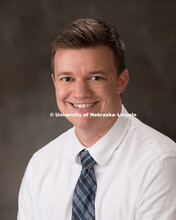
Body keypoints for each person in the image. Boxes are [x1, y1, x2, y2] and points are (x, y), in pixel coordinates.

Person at [17, 18, 176, 220]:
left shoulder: (159, 164)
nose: (80, 92)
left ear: (121, 81)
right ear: (55, 83)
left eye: (96, 77)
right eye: (67, 78)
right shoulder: (40, 165)